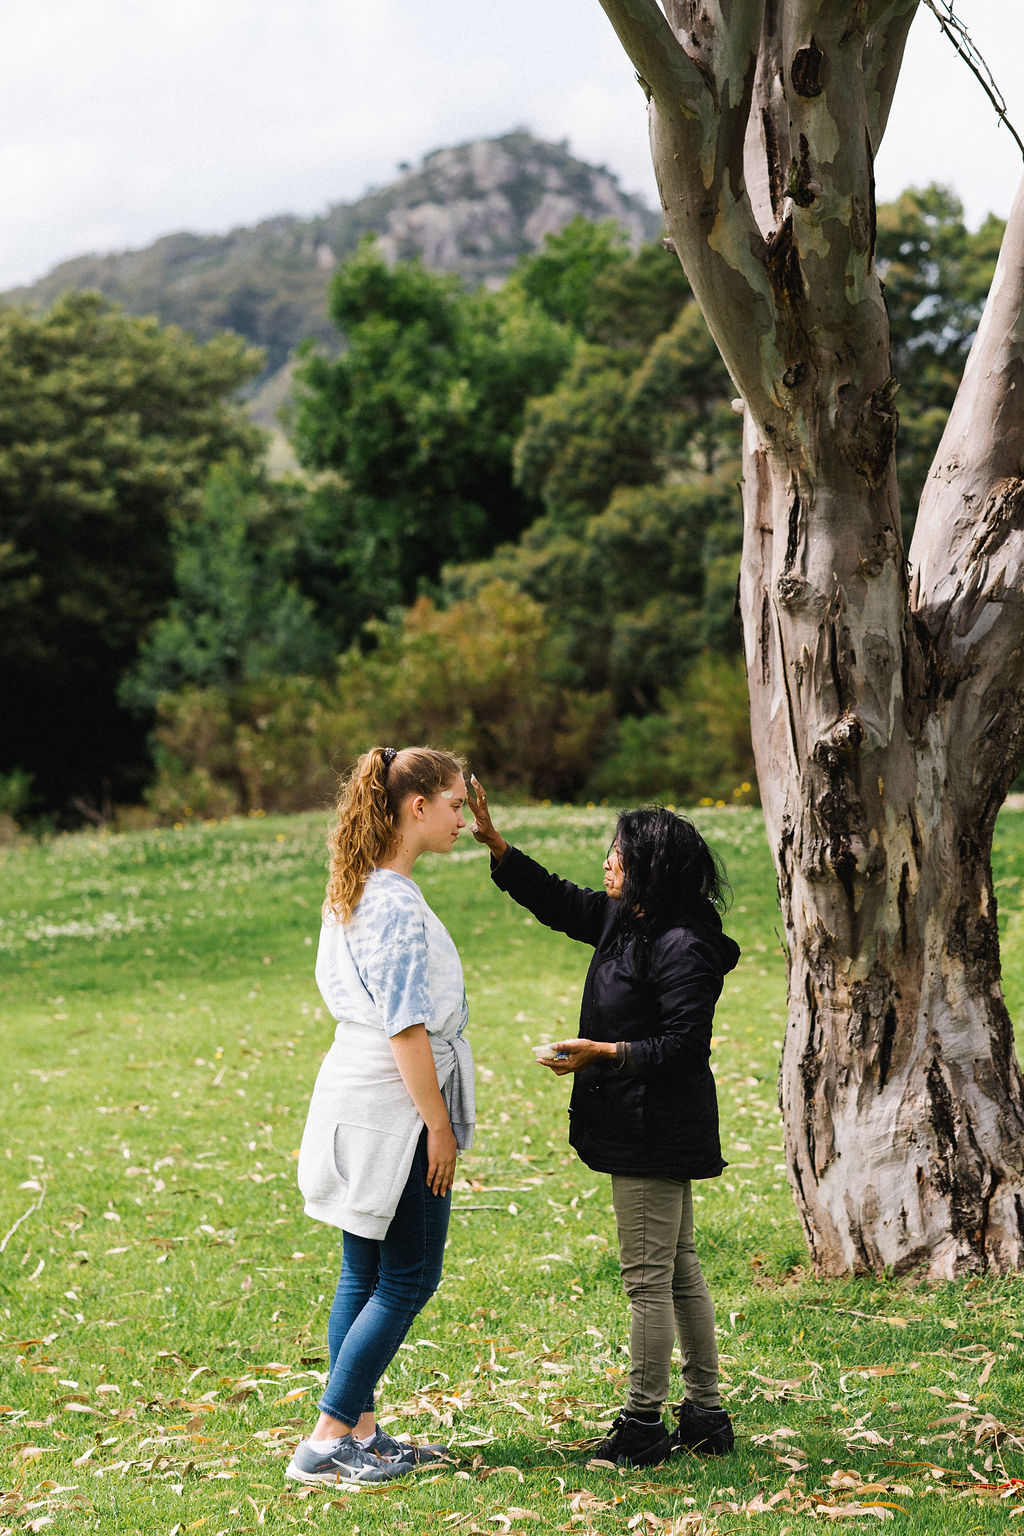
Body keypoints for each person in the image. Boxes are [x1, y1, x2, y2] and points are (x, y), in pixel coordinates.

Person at [469, 778, 738, 1468]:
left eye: (618, 853)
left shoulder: (682, 944)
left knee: (650, 1279)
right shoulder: (630, 918)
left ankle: (643, 1425)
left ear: (650, 866)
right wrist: (499, 848)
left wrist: (605, 1053)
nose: (607, 863)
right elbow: (561, 901)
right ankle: (706, 1415)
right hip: (642, 1123)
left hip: (655, 1129)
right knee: (678, 1269)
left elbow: (684, 1047)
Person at [286, 746, 475, 1488]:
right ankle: (327, 1438)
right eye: (456, 804)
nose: (464, 818)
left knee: (362, 1271)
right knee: (409, 1275)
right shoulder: (391, 901)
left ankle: (360, 1434)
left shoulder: (358, 885)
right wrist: (439, 1125)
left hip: (360, 1088)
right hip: (394, 1103)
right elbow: (405, 1025)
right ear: (417, 807)